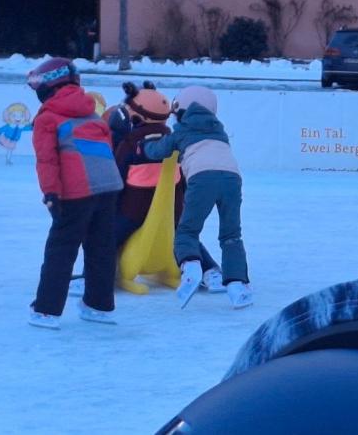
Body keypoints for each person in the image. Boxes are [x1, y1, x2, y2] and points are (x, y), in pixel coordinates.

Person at [26, 58, 123, 329]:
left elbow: (47, 159)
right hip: (108, 186)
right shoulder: (92, 114)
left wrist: (51, 194)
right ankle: (99, 306)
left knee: (61, 248)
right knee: (101, 247)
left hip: (76, 191)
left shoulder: (47, 117)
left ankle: (46, 310)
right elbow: (107, 151)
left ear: (47, 85)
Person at [143, 86, 253, 309]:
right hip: (233, 179)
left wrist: (144, 144)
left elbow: (156, 151)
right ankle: (237, 286)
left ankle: (191, 265)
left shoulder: (182, 131)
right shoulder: (219, 131)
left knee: (187, 230)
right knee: (231, 235)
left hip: (202, 179)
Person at [110, 82, 225, 292]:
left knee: (106, 237)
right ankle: (211, 272)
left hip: (133, 211)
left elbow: (116, 177)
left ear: (135, 116)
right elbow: (185, 177)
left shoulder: (130, 143)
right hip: (171, 212)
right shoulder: (174, 140)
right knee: (185, 237)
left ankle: (98, 276)